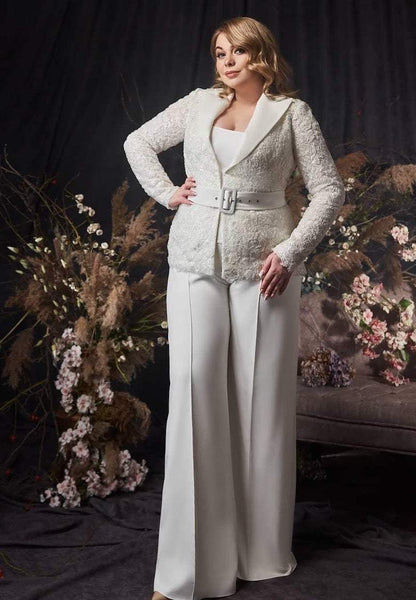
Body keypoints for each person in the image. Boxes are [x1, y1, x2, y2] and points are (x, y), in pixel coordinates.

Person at [123, 16, 345, 600]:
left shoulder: (292, 115)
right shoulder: (198, 103)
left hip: (266, 271)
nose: (227, 60)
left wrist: (290, 251)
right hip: (194, 258)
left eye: (238, 51)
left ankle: (259, 554)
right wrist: (167, 193)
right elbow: (137, 142)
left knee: (259, 406)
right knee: (194, 393)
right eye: (220, 51)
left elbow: (328, 189)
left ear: (261, 56)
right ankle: (188, 570)